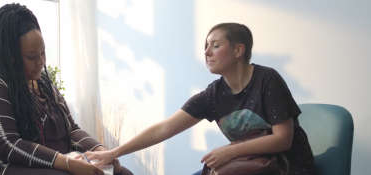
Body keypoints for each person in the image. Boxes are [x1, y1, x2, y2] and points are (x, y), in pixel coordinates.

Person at [86, 23, 316, 175]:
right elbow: (164, 128)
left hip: (289, 167)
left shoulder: (267, 80)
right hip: (248, 165)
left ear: (238, 51)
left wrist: (229, 151)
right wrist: (114, 153)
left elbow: (283, 140)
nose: (206, 52)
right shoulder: (213, 95)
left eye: (215, 46)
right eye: (205, 46)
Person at [0, 3, 132, 175]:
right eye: (31, 57)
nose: (41, 62)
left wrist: (99, 150)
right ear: (10, 56)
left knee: (120, 171)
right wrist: (66, 162)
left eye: (43, 53)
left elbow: (71, 130)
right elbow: (6, 145)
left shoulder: (43, 83)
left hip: (47, 163)